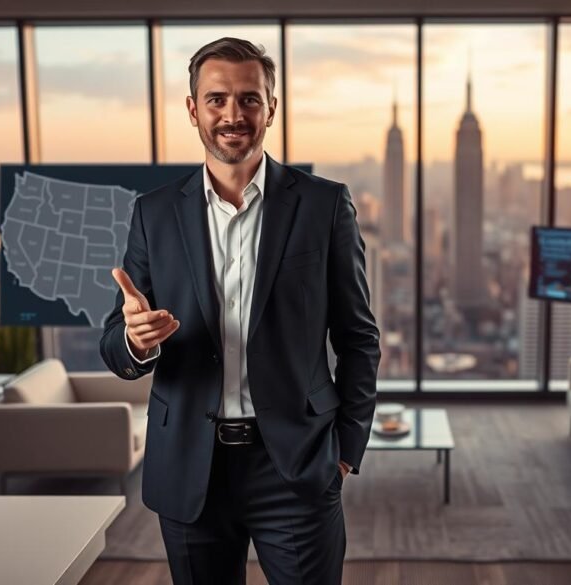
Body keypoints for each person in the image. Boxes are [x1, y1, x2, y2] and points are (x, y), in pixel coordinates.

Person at [99, 37, 380, 585]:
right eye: (217, 99)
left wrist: (344, 451)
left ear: (271, 108)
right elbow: (116, 344)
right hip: (189, 464)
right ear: (192, 109)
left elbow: (358, 337)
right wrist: (135, 339)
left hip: (295, 465)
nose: (233, 115)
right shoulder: (154, 214)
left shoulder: (323, 204)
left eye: (250, 99)